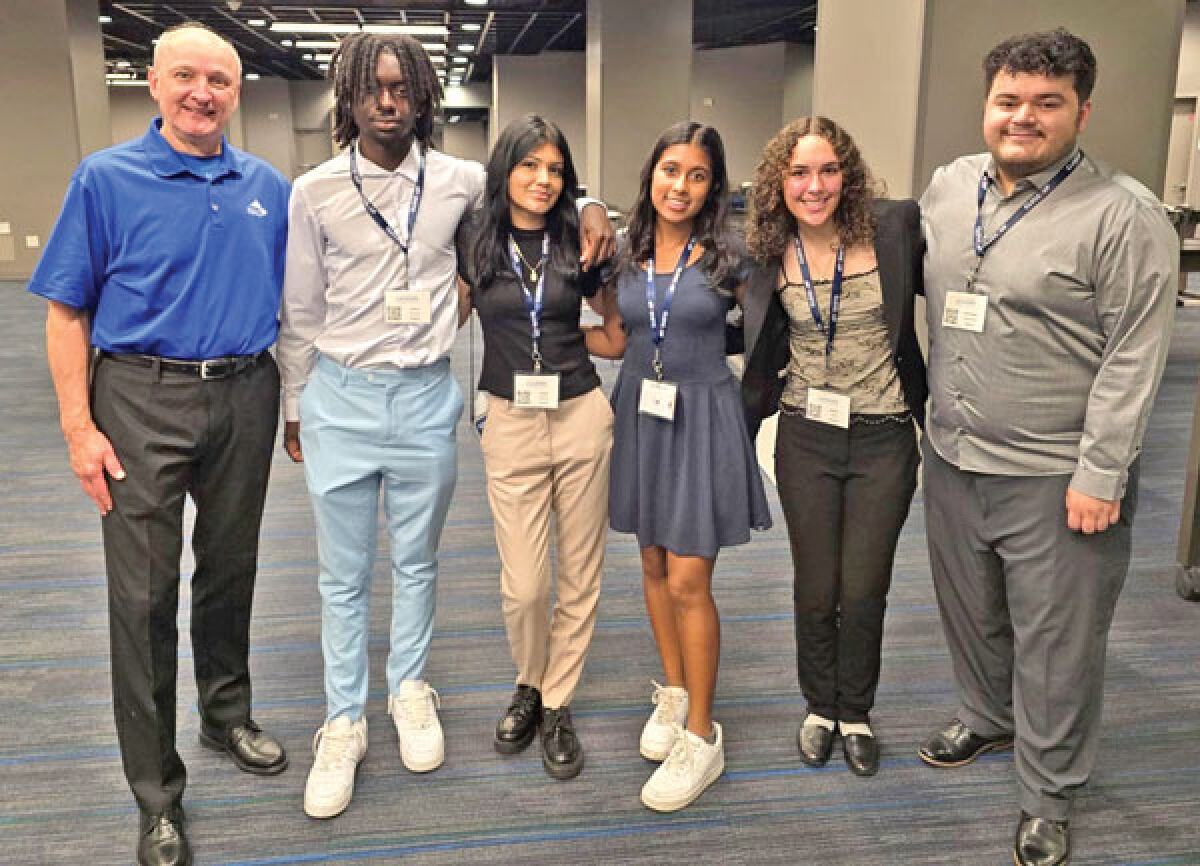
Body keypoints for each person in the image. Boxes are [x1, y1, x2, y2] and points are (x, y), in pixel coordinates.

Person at [278, 36, 614, 819]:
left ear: (424, 97)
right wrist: (295, 403)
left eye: (403, 89)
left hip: (428, 395)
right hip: (342, 396)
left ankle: (409, 689)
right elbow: (298, 308)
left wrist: (593, 199)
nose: (388, 102)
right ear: (350, 97)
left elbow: (543, 179)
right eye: (374, 89)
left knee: (419, 563)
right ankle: (343, 720)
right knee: (342, 572)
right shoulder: (316, 190)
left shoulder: (462, 179)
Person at [27, 22, 290, 866]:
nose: (201, 93)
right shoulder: (104, 179)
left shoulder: (267, 186)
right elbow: (65, 311)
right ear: (152, 82)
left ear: (237, 92)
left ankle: (225, 716)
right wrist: (78, 427)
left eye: (218, 80)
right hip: (139, 396)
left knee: (230, 566)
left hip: (246, 390)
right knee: (142, 601)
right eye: (185, 76)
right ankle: (157, 794)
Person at [917, 28, 1176, 866]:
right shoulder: (951, 187)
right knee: (971, 612)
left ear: (1082, 111)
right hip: (953, 455)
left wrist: (1102, 473)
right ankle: (988, 717)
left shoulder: (1123, 215)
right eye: (1008, 100)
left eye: (1046, 103)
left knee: (1059, 642)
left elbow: (1136, 355)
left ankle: (1049, 792)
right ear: (987, 104)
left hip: (1057, 473)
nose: (1022, 117)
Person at [592, 121, 771, 812]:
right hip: (641, 412)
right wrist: (535, 337)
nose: (681, 186)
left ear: (713, 186)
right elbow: (614, 335)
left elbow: (769, 332)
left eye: (697, 175)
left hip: (701, 418)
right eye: (671, 170)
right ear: (651, 173)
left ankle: (703, 732)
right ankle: (673, 691)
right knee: (653, 564)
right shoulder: (627, 253)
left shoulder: (732, 256)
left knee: (691, 578)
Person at [740, 116, 926, 777]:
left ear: (846, 174)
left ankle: (857, 711)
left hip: (884, 437)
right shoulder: (766, 249)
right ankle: (821, 706)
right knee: (816, 587)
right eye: (797, 173)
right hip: (805, 437)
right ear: (778, 183)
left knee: (865, 587)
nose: (813, 186)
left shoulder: (895, 228)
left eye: (825, 170)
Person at [457, 115, 624, 780]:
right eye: (530, 166)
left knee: (579, 571)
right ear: (506, 170)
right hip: (508, 417)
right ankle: (528, 678)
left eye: (556, 169)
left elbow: (614, 332)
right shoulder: (475, 234)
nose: (543, 180)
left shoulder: (580, 237)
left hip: (580, 413)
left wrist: (568, 340)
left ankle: (556, 700)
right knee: (526, 584)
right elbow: (453, 310)